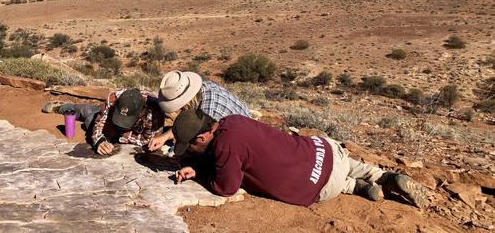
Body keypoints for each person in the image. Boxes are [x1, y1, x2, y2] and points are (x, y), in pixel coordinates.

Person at [172, 110, 428, 208]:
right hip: (325, 150)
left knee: (324, 182)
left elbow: (226, 187)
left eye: (191, 145)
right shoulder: (233, 121)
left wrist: (201, 174)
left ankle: (355, 188)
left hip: (320, 186)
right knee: (345, 164)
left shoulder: (224, 149)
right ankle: (381, 176)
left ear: (203, 137)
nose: (192, 150)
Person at [147, 70, 251, 151]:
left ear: (185, 103)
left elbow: (207, 142)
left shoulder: (209, 111)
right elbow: (189, 125)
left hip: (242, 144)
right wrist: (165, 137)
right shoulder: (202, 88)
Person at [43, 88, 165, 156]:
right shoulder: (113, 98)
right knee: (90, 116)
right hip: (109, 118)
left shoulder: (154, 112)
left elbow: (147, 140)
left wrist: (119, 136)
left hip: (127, 130)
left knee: (91, 115)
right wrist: (100, 141)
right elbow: (98, 126)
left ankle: (95, 112)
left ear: (140, 113)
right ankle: (62, 107)